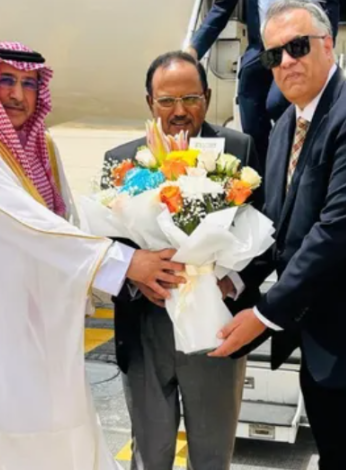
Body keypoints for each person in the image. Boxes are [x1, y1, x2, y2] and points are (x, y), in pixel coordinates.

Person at [0, 41, 185, 470]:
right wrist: (123, 264)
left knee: (57, 425)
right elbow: (25, 223)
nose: (18, 95)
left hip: (43, 323)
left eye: (29, 84)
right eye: (6, 80)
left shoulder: (40, 146)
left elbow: (66, 219)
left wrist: (128, 260)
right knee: (4, 435)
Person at [208, 2, 346, 469]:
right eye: (274, 55)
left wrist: (264, 314)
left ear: (328, 45)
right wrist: (231, 280)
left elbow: (335, 233)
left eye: (298, 47)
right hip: (321, 343)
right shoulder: (286, 127)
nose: (286, 62)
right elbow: (276, 229)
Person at [101, 50, 262, 470]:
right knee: (149, 456)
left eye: (190, 99)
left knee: (212, 456)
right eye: (167, 101)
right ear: (149, 102)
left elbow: (265, 232)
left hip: (215, 328)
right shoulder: (120, 160)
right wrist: (136, 273)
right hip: (145, 329)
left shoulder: (239, 150)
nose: (179, 111)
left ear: (206, 97)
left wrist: (230, 282)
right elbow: (106, 243)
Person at [187, 0, 339, 174]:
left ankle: (297, 167)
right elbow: (222, 7)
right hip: (261, 49)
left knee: (276, 102)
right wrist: (193, 50)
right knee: (249, 103)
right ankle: (262, 176)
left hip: (296, 46)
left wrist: (325, 42)